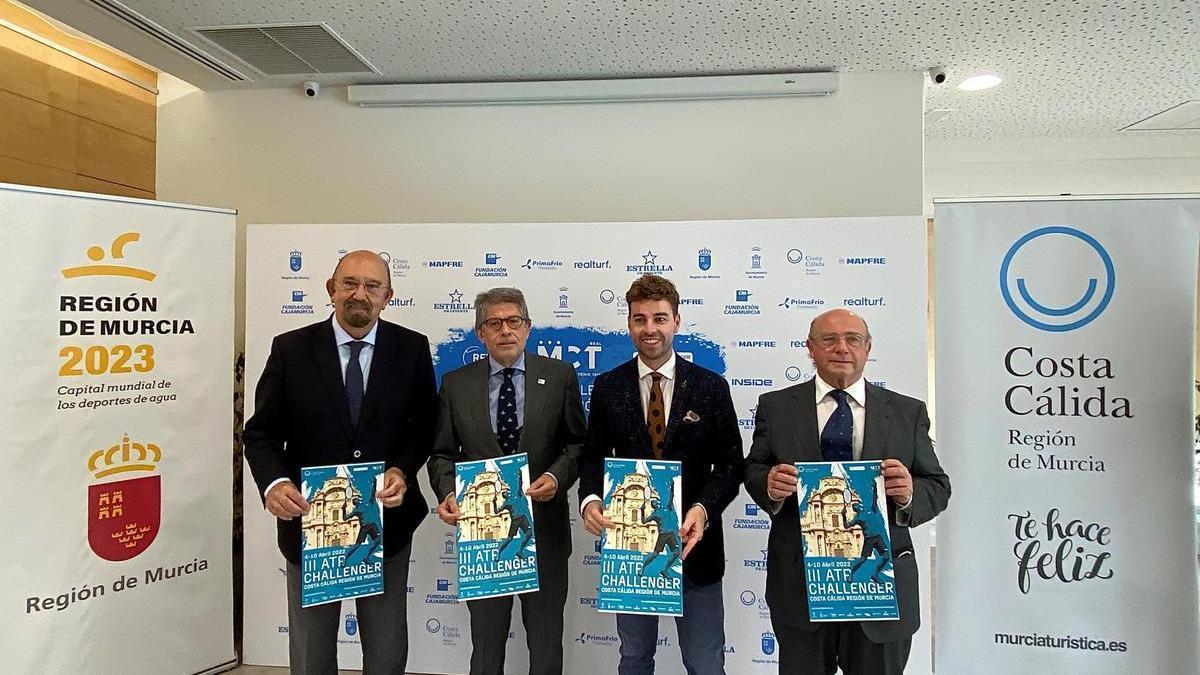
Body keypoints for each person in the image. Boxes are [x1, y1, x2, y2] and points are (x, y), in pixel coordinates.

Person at [243, 250, 437, 675]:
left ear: (388, 296)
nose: (359, 294)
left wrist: (402, 470)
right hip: (312, 524)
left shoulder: (411, 348)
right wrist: (274, 484)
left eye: (372, 286)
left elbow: (423, 427)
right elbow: (261, 433)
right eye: (349, 283)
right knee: (312, 654)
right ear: (331, 290)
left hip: (384, 524)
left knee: (386, 652)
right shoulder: (291, 349)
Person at [744, 308, 951, 675]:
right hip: (802, 590)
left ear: (868, 348)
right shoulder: (776, 407)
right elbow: (753, 470)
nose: (842, 348)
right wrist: (769, 485)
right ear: (810, 349)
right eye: (829, 340)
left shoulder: (907, 412)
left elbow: (937, 486)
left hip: (880, 591)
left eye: (853, 339)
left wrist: (908, 494)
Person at [579, 274, 744, 675]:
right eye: (640, 319)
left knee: (705, 662)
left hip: (694, 550)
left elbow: (731, 465)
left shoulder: (710, 387)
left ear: (677, 321)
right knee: (634, 659)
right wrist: (590, 500)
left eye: (659, 318)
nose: (649, 329)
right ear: (629, 323)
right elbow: (593, 458)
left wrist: (704, 510)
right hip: (630, 551)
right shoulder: (607, 387)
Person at [428, 287, 586, 675]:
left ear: (528, 328)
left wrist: (555, 476)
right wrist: (449, 492)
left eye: (513, 321)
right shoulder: (455, 383)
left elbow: (579, 443)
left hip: (545, 533)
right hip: (483, 537)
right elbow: (441, 454)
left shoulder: (560, 375)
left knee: (547, 643)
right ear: (480, 333)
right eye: (493, 323)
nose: (505, 331)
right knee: (485, 644)